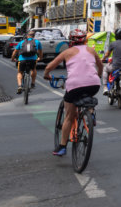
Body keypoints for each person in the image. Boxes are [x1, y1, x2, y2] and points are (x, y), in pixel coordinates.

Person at [44, 29, 102, 157]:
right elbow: (100, 65)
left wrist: (46, 75)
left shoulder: (67, 52)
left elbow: (49, 67)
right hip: (94, 83)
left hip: (75, 85)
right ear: (85, 40)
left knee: (69, 117)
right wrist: (97, 76)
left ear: (70, 41)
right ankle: (90, 114)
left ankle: (62, 147)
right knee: (88, 95)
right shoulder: (91, 50)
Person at [11, 30, 44, 94]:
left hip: (22, 60)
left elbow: (15, 51)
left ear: (27, 36)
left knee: (20, 72)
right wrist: (40, 57)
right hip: (32, 59)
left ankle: (20, 86)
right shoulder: (37, 42)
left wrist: (13, 58)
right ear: (34, 36)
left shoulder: (22, 42)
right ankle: (33, 83)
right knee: (33, 69)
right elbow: (40, 51)